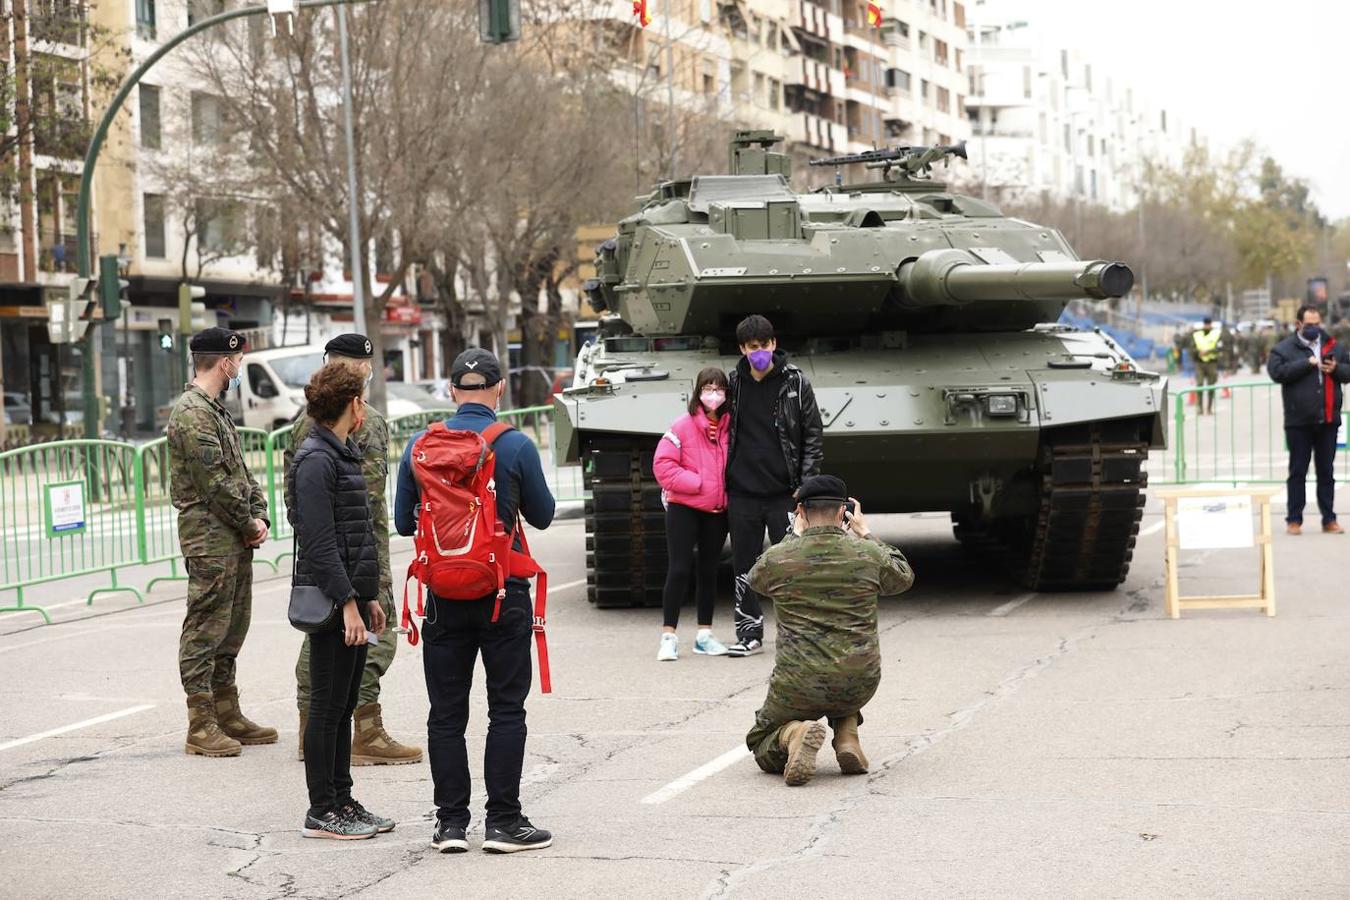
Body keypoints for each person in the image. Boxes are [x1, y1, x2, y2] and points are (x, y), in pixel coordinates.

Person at [394, 348, 556, 854]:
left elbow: (402, 522)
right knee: (506, 708)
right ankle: (504, 822)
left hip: (442, 594)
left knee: (446, 713)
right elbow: (545, 515)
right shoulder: (514, 445)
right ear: (500, 389)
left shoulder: (421, 445)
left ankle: (450, 825)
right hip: (502, 592)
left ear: (450, 391)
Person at [285, 334, 421, 767]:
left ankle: (312, 729)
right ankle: (364, 729)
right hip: (361, 551)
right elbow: (369, 502)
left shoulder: (301, 424)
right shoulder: (369, 421)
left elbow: (297, 503)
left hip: (318, 549)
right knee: (373, 640)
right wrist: (370, 571)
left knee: (320, 634)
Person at [743, 475, 913, 786]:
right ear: (844, 512)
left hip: (798, 682)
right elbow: (903, 577)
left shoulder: (780, 558)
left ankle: (795, 733)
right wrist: (867, 534)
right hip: (860, 680)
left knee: (760, 740)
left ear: (800, 512)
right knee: (841, 679)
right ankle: (847, 736)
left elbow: (754, 580)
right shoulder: (868, 554)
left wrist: (794, 538)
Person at [288, 363, 393, 840]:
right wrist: (348, 602)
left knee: (344, 701)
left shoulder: (341, 452)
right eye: (362, 399)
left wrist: (368, 597)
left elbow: (358, 536)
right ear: (351, 404)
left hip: (350, 599)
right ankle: (321, 809)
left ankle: (344, 800)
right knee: (327, 707)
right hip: (332, 604)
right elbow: (319, 541)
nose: (365, 407)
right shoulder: (315, 459)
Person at [167, 327, 274, 758]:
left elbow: (240, 474)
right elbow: (213, 483)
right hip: (210, 538)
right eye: (238, 360)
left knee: (232, 626)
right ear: (225, 362)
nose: (240, 367)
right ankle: (201, 722)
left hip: (231, 534)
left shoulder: (214, 409)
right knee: (205, 627)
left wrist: (259, 511)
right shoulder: (192, 413)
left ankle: (227, 710)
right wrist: (249, 523)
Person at [725, 314, 823, 657]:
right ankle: (748, 633)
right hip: (742, 491)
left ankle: (796, 634)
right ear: (743, 349)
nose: (760, 352)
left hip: (785, 491)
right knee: (745, 566)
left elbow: (812, 434)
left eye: (765, 345)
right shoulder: (732, 384)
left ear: (774, 344)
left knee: (791, 565)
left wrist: (807, 485)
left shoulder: (796, 383)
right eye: (753, 347)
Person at [652, 367, 732, 661]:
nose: (714, 395)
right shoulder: (682, 426)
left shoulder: (730, 428)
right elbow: (663, 465)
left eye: (719, 388)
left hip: (716, 510)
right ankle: (668, 635)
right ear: (698, 392)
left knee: (709, 571)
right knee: (680, 568)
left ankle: (704, 634)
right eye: (708, 388)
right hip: (685, 507)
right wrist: (697, 484)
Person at [1267, 305, 1350, 535]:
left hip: (1328, 419)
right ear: (1298, 325)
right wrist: (1306, 364)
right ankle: (1294, 519)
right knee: (1298, 471)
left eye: (1317, 323)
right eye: (1310, 324)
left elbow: (1348, 371)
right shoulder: (1284, 349)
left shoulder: (1333, 345)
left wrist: (1336, 368)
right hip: (1299, 421)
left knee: (1326, 472)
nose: (1314, 328)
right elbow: (1277, 373)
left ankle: (1329, 519)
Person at [1191, 318, 1222, 414]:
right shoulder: (1196, 335)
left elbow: (1220, 348)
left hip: (1212, 363)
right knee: (1199, 385)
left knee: (1211, 386)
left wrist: (1208, 351)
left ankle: (1209, 408)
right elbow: (1191, 348)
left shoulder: (1216, 334)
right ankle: (1199, 408)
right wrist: (1198, 352)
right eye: (1206, 324)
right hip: (1200, 363)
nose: (1207, 326)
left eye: (1209, 324)